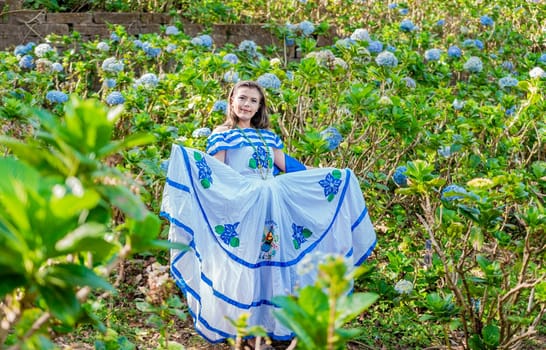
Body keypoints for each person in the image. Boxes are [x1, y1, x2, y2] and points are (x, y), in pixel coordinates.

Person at [160, 80, 376, 346]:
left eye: (253, 100)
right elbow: (218, 176)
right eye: (242, 98)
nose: (246, 105)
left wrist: (323, 176)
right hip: (244, 208)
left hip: (273, 209)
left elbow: (285, 164)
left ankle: (270, 326)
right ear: (231, 101)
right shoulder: (222, 134)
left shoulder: (266, 136)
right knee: (248, 264)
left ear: (259, 106)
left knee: (270, 265)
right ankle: (248, 333)